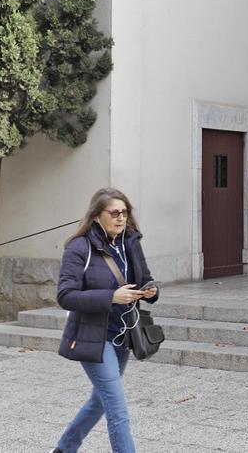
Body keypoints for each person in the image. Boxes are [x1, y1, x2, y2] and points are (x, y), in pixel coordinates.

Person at [51, 188, 159, 453]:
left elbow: (144, 277)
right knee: (117, 409)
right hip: (93, 338)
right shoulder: (80, 247)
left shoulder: (130, 241)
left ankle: (64, 448)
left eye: (125, 212)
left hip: (123, 335)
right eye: (114, 212)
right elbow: (66, 295)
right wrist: (111, 296)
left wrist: (150, 291)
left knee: (99, 402)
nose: (121, 218)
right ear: (97, 216)